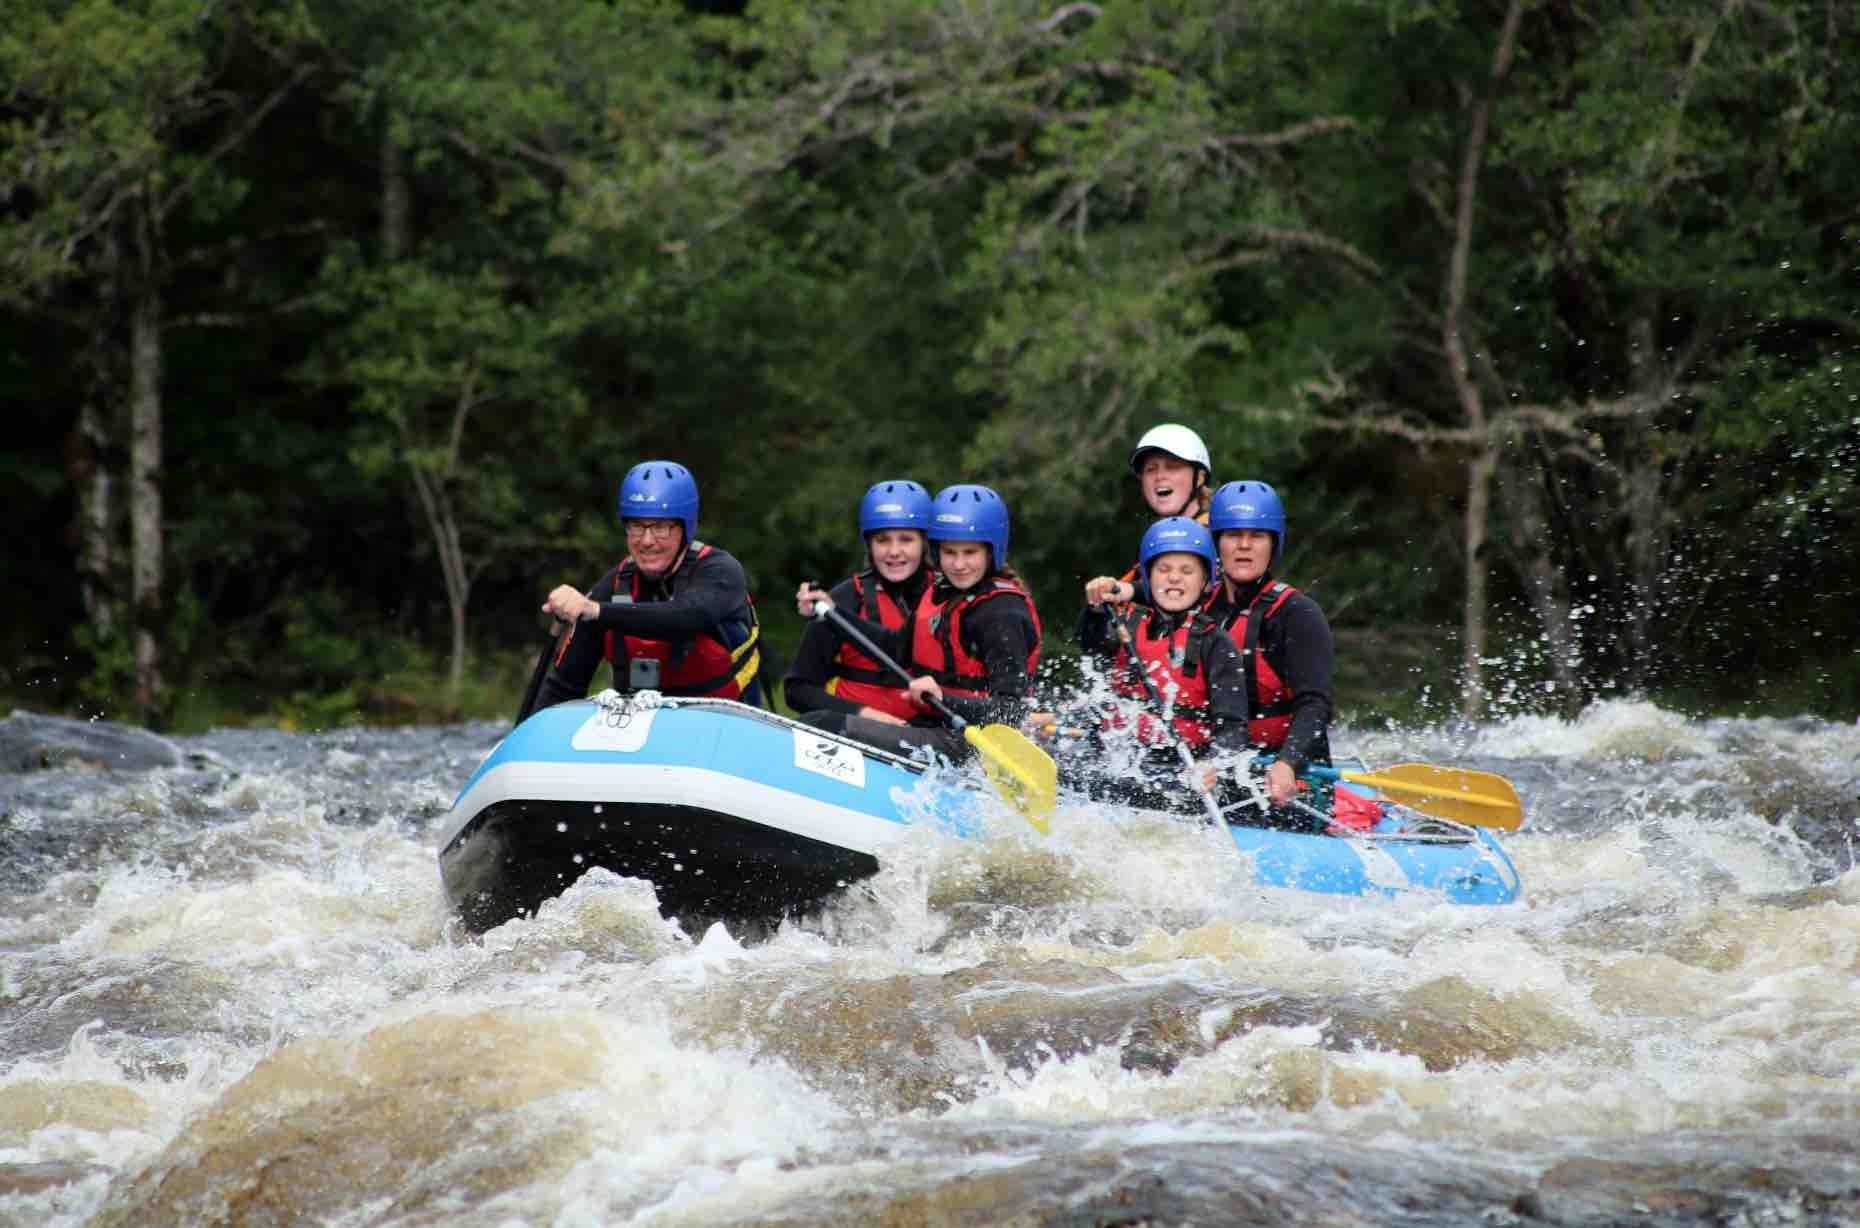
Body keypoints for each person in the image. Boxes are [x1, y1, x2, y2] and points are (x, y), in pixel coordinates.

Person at [795, 483, 1042, 759]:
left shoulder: (1002, 613)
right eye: (950, 552)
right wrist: (833, 614)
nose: (959, 565)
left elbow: (1010, 712)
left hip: (974, 745)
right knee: (821, 720)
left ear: (991, 551)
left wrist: (943, 699)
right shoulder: (943, 595)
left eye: (969, 552)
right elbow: (896, 648)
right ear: (935, 552)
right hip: (939, 729)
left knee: (821, 725)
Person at [1070, 517, 1266, 819]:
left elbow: (1233, 730)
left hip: (1179, 769)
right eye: (1164, 570)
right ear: (1148, 578)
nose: (1174, 578)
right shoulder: (1125, 625)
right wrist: (1095, 607)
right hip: (1121, 757)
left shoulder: (1216, 644)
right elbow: (1089, 642)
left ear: (1204, 582)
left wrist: (1212, 764)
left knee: (1141, 793)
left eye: (1187, 571)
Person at [532, 460, 762, 711]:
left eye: (661, 527)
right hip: (642, 739)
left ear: (685, 528)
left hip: (725, 730)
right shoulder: (615, 586)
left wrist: (596, 611)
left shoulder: (720, 571)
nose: (647, 541)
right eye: (636, 526)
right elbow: (563, 688)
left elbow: (689, 615)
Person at [1203, 480, 1334, 811]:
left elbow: (1315, 705)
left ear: (1273, 544)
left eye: (1257, 536)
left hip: (1289, 771)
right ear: (1217, 543)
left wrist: (1287, 762)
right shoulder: (1198, 609)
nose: (1244, 546)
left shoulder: (1298, 614)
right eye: (1233, 535)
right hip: (1218, 766)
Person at [783, 479, 936, 725]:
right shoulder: (843, 599)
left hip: (928, 736)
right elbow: (797, 690)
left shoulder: (945, 597)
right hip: (856, 737)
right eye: (883, 540)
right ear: (869, 544)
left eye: (906, 539)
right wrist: (869, 716)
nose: (894, 551)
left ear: (925, 543)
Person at [1083, 423, 1216, 608]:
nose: (1160, 476)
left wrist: (1129, 591)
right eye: (1150, 469)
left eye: (1172, 467)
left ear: (1199, 477)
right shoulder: (1153, 539)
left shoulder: (1218, 536)